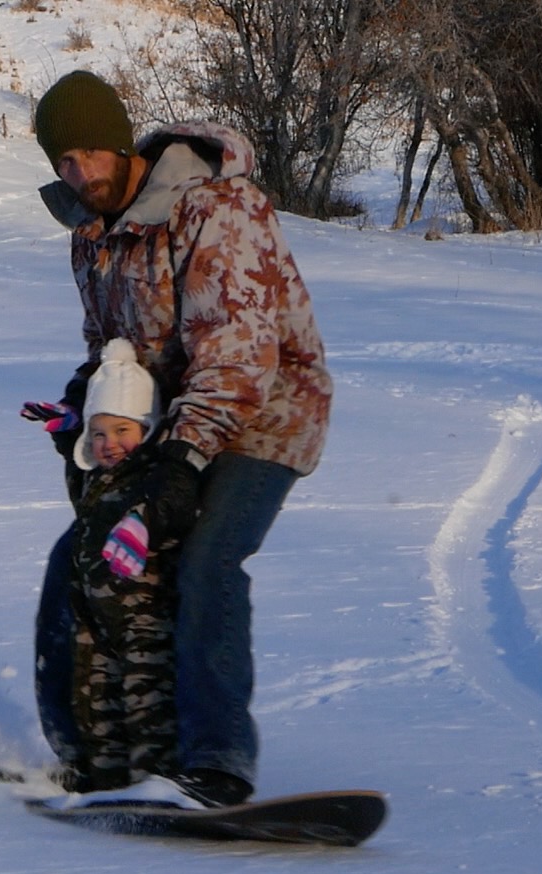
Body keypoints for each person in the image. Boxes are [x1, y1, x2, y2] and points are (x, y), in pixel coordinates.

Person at [23, 70, 332, 809]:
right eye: (63, 162)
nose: (81, 173)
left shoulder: (216, 209)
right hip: (169, 423)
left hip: (265, 414)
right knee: (82, 557)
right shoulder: (91, 233)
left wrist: (184, 462)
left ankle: (217, 760)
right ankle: (92, 757)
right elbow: (111, 345)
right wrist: (85, 399)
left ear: (122, 143)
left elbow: (238, 353)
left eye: (92, 153)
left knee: (207, 559)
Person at [22, 340, 183, 799]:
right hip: (95, 614)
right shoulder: (92, 471)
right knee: (95, 699)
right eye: (98, 433)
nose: (110, 443)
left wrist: (143, 519)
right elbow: (78, 463)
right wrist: (64, 429)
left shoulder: (152, 473)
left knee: (147, 698)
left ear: (148, 429)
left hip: (144, 616)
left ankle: (156, 782)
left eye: (122, 430)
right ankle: (105, 778)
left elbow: (173, 502)